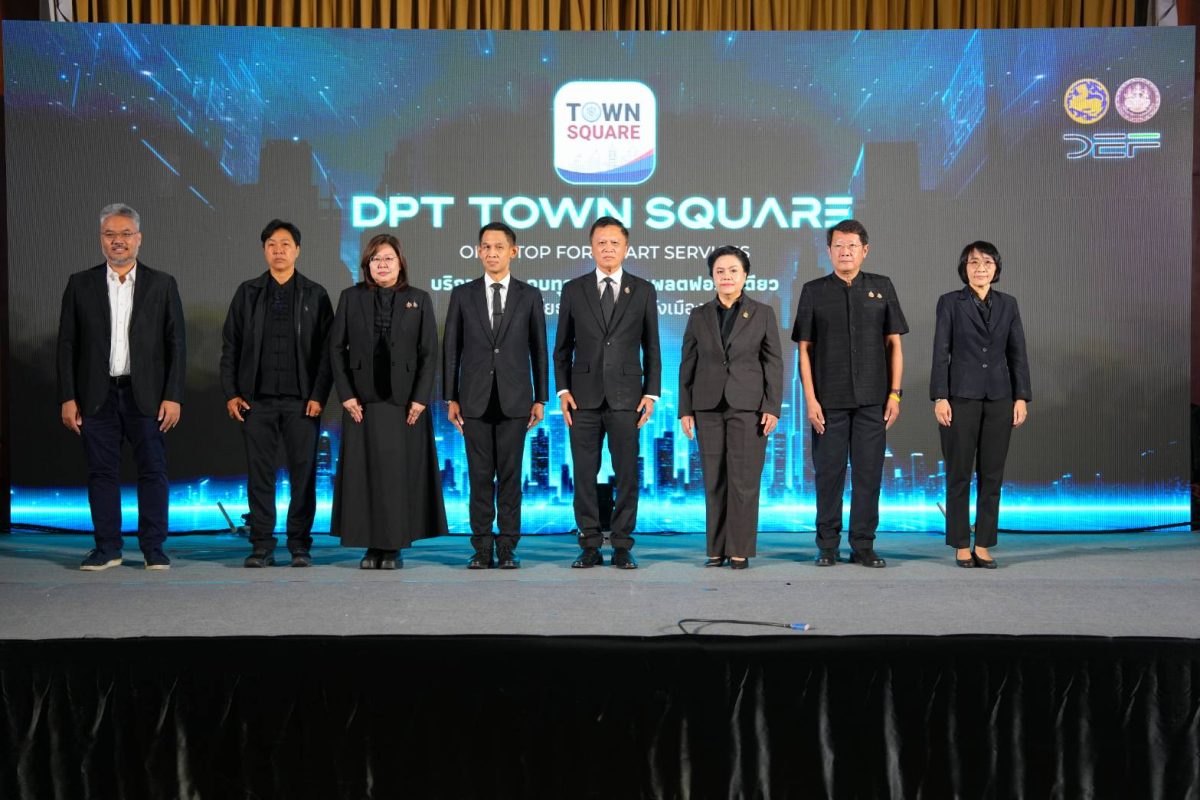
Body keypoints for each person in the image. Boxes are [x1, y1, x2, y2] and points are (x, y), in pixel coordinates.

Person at [57, 203, 185, 570]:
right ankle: (108, 548)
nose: (118, 240)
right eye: (110, 234)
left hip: (147, 396)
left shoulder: (162, 284)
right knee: (101, 473)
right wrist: (68, 397)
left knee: (153, 472)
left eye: (126, 234)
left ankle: (153, 548)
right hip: (96, 396)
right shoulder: (80, 284)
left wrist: (173, 396)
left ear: (139, 239)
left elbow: (176, 344)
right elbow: (67, 344)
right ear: (101, 239)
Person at [792, 219, 908, 568]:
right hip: (828, 402)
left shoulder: (881, 287)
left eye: (852, 246)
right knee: (828, 476)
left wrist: (895, 394)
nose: (845, 252)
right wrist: (810, 400)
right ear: (829, 251)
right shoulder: (814, 291)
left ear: (865, 250)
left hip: (873, 400)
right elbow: (804, 350)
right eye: (838, 246)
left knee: (868, 475)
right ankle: (827, 546)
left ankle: (863, 545)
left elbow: (894, 344)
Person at [219, 220, 334, 568]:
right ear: (264, 250)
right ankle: (262, 545)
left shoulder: (315, 294)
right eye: (271, 244)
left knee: (304, 476)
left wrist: (318, 395)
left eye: (285, 244)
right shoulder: (248, 292)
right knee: (260, 475)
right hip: (256, 401)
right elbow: (231, 346)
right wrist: (232, 393)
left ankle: (299, 544)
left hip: (302, 403)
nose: (278, 250)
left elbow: (328, 353)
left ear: (297, 250)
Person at [329, 233, 447, 568]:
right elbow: (336, 349)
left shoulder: (418, 299)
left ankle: (393, 547)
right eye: (376, 259)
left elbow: (429, 353)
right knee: (364, 476)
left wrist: (420, 399)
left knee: (397, 477)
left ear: (400, 263)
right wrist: (347, 396)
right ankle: (371, 547)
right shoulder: (350, 298)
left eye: (388, 258)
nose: (382, 264)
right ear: (367, 265)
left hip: (405, 404)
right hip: (362, 404)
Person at [553, 216, 661, 569]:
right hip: (582, 398)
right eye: (601, 242)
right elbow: (562, 347)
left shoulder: (643, 290)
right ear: (592, 247)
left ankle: (622, 545)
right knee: (584, 473)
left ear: (626, 248)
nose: (608, 248)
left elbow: (652, 347)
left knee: (627, 474)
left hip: (627, 397)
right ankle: (588, 544)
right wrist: (563, 390)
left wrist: (651, 394)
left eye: (615, 242)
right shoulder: (573, 289)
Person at [443, 222, 549, 569]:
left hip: (516, 400)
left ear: (513, 252)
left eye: (499, 247)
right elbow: (452, 349)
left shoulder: (529, 295)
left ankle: (507, 548)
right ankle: (481, 548)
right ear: (478, 252)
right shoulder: (463, 294)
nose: (492, 253)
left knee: (510, 477)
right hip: (473, 400)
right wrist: (450, 397)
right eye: (486, 247)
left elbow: (538, 349)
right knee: (478, 477)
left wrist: (541, 398)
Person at [679, 246, 783, 569]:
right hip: (707, 406)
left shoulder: (763, 313)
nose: (726, 276)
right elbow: (687, 364)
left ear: (745, 275)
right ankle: (715, 548)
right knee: (714, 479)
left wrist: (772, 406)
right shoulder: (699, 315)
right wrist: (685, 409)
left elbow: (773, 363)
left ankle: (739, 549)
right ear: (712, 276)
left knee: (744, 481)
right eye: (720, 271)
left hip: (749, 407)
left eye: (733, 270)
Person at [931, 241, 1031, 568]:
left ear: (996, 268)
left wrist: (1021, 397)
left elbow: (1017, 354)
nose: (981, 268)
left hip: (1000, 398)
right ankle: (961, 543)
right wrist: (940, 397)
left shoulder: (1008, 304)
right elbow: (940, 352)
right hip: (960, 397)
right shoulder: (950, 302)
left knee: (992, 475)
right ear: (964, 268)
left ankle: (984, 543)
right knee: (959, 473)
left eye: (987, 262)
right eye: (974, 262)